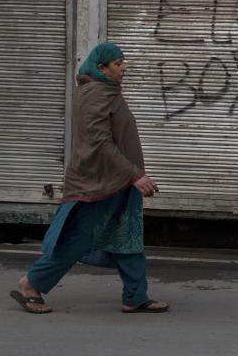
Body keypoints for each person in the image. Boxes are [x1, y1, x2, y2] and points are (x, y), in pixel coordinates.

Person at [9, 43, 169, 314]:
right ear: (101, 68)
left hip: (117, 182)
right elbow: (98, 141)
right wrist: (135, 174)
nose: (124, 68)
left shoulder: (107, 91)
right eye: (118, 63)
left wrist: (131, 177)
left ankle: (135, 296)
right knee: (78, 240)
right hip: (95, 184)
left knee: (127, 238)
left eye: (123, 62)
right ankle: (31, 284)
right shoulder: (95, 93)